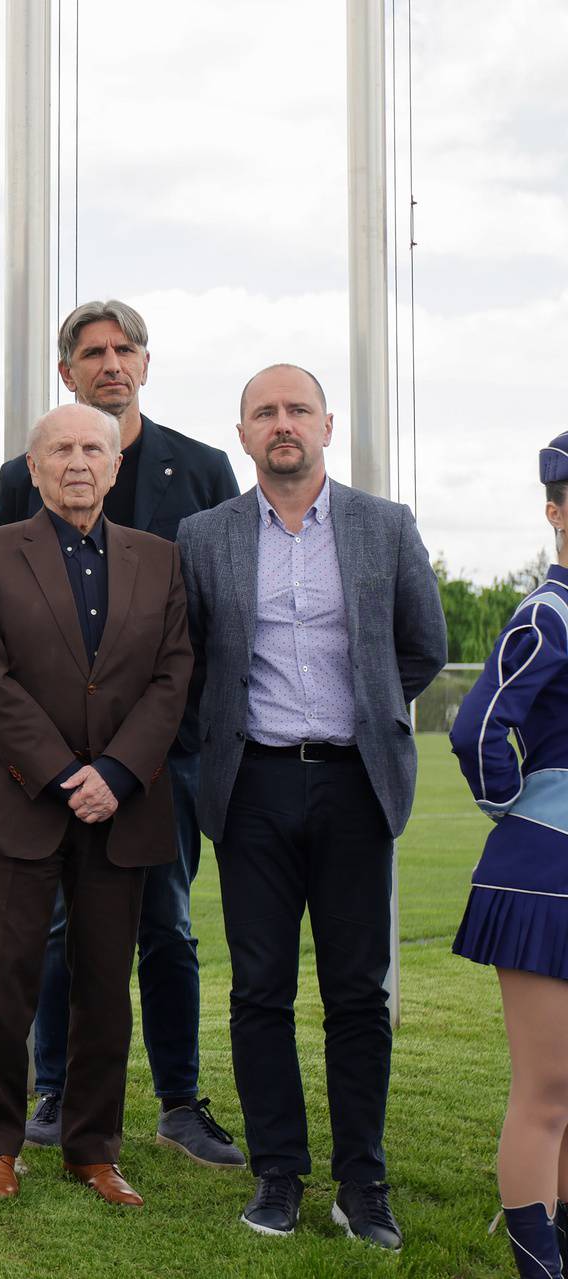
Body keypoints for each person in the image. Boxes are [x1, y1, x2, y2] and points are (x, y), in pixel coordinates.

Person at [177, 363, 445, 1249]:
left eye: (297, 409)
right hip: (250, 786)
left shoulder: (384, 525)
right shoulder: (204, 534)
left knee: (358, 994)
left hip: (354, 783)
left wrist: (362, 716)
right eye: (265, 412)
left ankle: (361, 1182)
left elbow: (422, 647)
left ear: (327, 425)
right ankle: (278, 1174)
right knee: (259, 990)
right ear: (244, 433)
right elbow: (196, 663)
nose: (282, 423)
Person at [0, 299, 244, 1166]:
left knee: (167, 924)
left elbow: (210, 627)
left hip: (156, 760)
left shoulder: (202, 470)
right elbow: (2, 621)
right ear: (68, 372)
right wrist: (59, 764)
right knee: (60, 929)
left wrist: (132, 758)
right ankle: (54, 1090)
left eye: (124, 349)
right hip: (49, 767)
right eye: (92, 351)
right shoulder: (22, 474)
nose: (111, 363)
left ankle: (179, 1099)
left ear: (145, 362)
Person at [0, 402, 191, 1207]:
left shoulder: (160, 559)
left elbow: (171, 676)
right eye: (61, 449)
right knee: (3, 980)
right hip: (17, 801)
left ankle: (92, 1147)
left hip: (121, 806)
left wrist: (117, 772)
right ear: (36, 466)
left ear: (116, 464)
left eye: (94, 446)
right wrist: (63, 773)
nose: (79, 461)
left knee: (103, 985)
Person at [448, 432, 568, 1278]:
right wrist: (516, 805)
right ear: (556, 509)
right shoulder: (549, 612)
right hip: (545, 875)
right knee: (549, 1091)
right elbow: (477, 725)